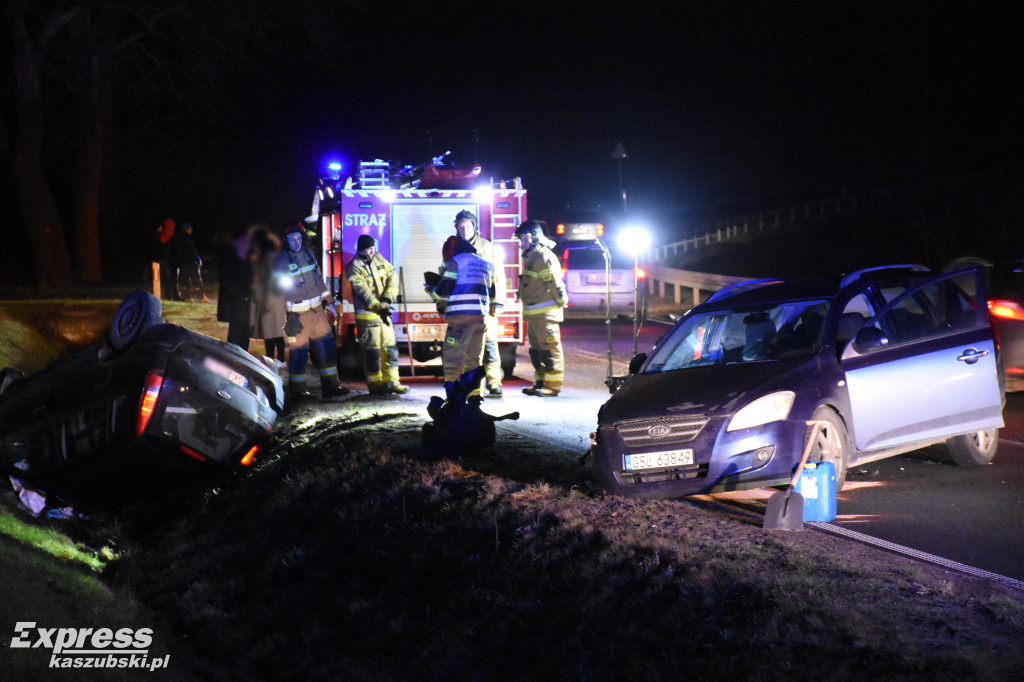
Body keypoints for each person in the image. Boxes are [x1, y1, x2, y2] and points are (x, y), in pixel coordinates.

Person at [272, 221, 349, 400]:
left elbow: (319, 280)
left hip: (317, 312)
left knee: (327, 348)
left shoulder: (309, 253)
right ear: (287, 240)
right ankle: (298, 392)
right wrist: (287, 313)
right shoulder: (281, 261)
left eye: (299, 238)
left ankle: (331, 386)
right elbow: (276, 290)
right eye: (292, 239)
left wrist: (329, 301)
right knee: (299, 353)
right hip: (297, 316)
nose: (296, 242)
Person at [439, 210, 505, 397]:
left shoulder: (487, 247)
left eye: (467, 226)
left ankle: (493, 381)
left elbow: (498, 276)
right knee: (471, 351)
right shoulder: (453, 247)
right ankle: (471, 390)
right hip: (471, 308)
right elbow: (447, 274)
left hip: (485, 306)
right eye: (460, 226)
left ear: (474, 227)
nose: (464, 229)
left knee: (490, 344)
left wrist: (498, 302)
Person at [431, 235, 495, 399]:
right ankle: (474, 398)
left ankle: (453, 398)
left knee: (453, 359)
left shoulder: (457, 261)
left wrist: (433, 288)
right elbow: (491, 292)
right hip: (480, 318)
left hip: (459, 319)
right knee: (473, 360)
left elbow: (445, 289)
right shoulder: (485, 264)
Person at [345, 235, 409, 395]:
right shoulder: (354, 266)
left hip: (383, 314)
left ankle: (392, 383)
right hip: (368, 316)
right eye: (369, 249)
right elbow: (362, 291)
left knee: (390, 349)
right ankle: (376, 386)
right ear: (361, 249)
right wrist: (377, 306)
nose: (373, 251)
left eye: (374, 248)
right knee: (372, 353)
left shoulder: (379, 258)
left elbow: (392, 276)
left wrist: (387, 299)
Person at [515, 220, 568, 396]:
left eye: (523, 239)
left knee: (549, 350)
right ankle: (540, 383)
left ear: (533, 237)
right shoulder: (533, 258)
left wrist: (562, 300)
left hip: (545, 314)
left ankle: (552, 387)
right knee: (537, 351)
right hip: (535, 314)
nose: (521, 243)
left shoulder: (544, 257)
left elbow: (554, 282)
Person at [249, 226, 287, 362]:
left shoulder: (260, 262)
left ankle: (270, 358)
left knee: (268, 332)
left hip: (266, 301)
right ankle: (281, 359)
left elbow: (257, 283)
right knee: (280, 331)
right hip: (280, 301)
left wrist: (258, 299)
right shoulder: (282, 259)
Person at [216, 227, 253, 351]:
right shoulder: (230, 257)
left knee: (245, 331)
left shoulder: (249, 258)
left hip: (247, 301)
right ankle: (231, 355)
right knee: (235, 331)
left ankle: (243, 355)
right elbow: (226, 280)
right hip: (235, 302)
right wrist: (240, 294)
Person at [174, 221, 209, 303]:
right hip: (191, 264)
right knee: (196, 281)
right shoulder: (189, 239)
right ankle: (201, 297)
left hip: (182, 264)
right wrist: (198, 260)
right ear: (188, 229)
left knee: (184, 282)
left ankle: (187, 297)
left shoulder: (178, 240)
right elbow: (193, 252)